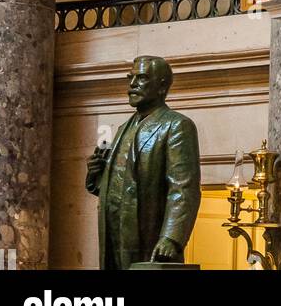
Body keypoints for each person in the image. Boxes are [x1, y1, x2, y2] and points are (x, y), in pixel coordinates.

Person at [85, 55, 201, 270]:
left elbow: (183, 188)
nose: (132, 85)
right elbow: (121, 187)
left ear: (162, 85)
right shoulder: (121, 130)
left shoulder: (176, 126)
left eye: (142, 78)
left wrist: (172, 237)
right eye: (130, 78)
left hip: (148, 233)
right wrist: (99, 175)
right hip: (114, 231)